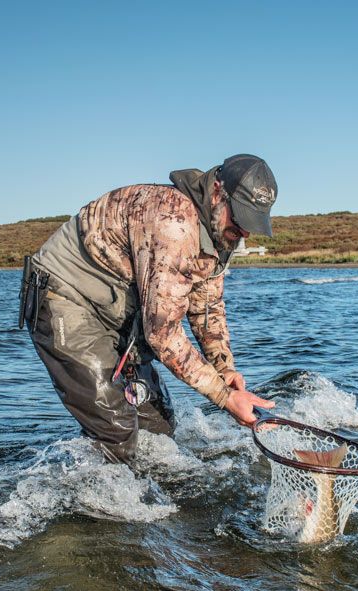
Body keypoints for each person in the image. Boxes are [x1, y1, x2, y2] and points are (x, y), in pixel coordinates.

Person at [19, 154, 277, 463]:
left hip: (120, 315)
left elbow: (207, 305)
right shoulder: (173, 223)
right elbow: (163, 335)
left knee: (159, 426)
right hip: (66, 298)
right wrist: (224, 398)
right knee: (116, 430)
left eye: (252, 223)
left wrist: (225, 370)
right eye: (240, 218)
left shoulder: (221, 231)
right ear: (218, 192)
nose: (245, 232)